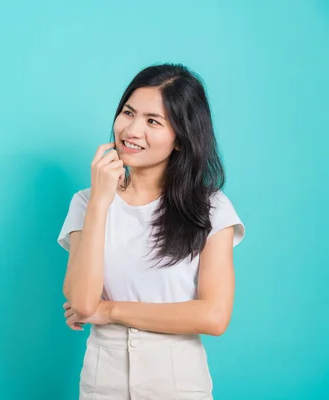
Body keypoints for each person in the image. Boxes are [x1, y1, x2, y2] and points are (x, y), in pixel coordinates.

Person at [57, 63, 246, 400]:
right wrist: (102, 200)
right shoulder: (86, 202)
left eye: (152, 121)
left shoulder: (211, 208)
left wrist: (111, 310)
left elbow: (214, 316)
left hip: (178, 383)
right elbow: (83, 302)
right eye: (128, 113)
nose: (131, 130)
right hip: (102, 383)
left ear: (180, 138)